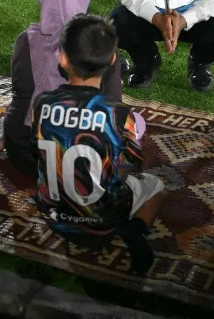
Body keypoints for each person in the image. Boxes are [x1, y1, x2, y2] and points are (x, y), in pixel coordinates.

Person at [31, 14, 164, 275]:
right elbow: (130, 164)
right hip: (103, 220)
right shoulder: (118, 114)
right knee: (157, 186)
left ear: (63, 59)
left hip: (52, 214)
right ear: (113, 60)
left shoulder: (42, 103)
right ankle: (135, 229)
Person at [0, 0, 123, 177]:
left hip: (26, 153)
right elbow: (114, 102)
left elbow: (21, 94)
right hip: (85, 160)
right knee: (128, 125)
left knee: (20, 108)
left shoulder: (27, 41)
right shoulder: (101, 47)